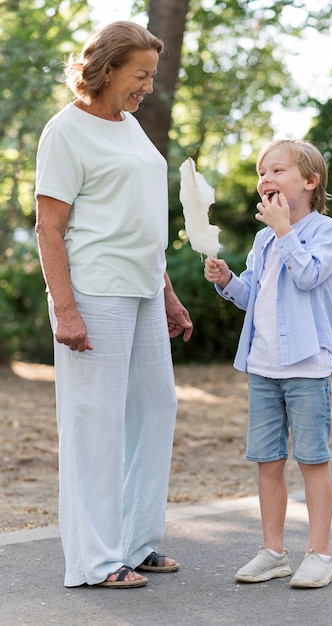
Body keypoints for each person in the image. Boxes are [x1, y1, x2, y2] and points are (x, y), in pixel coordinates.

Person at [35, 21, 193, 589]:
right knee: (95, 423)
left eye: (151, 74)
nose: (148, 87)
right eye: (140, 75)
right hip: (95, 290)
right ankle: (96, 560)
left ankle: (136, 542)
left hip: (146, 287)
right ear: (106, 70)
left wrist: (169, 294)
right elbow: (48, 228)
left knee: (155, 409)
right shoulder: (66, 131)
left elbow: (144, 221)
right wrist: (65, 309)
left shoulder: (130, 128)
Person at [204, 139, 332, 588]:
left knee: (312, 460)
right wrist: (227, 280)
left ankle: (319, 554)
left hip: (307, 367)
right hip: (263, 366)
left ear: (309, 181)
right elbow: (254, 296)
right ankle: (273, 551)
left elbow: (306, 276)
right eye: (262, 172)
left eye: (277, 171)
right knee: (267, 461)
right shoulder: (263, 238)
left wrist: (285, 231)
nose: (265, 179)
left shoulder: (326, 232)